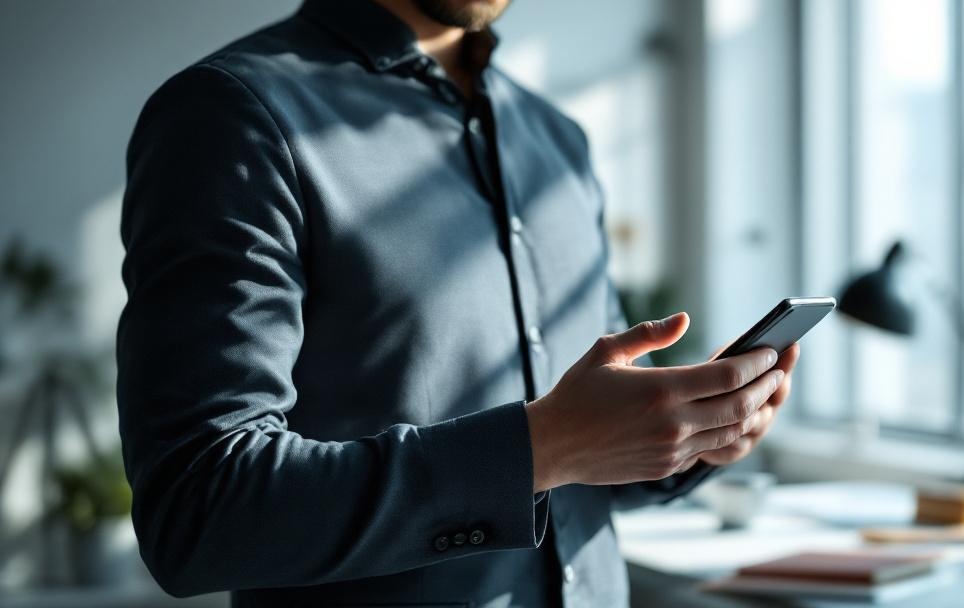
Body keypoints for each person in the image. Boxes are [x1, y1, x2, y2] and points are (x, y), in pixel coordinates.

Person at [116, 0, 800, 605]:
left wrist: (694, 433)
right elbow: (197, 512)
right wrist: (543, 446)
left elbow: (587, 461)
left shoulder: (558, 139)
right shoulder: (232, 114)